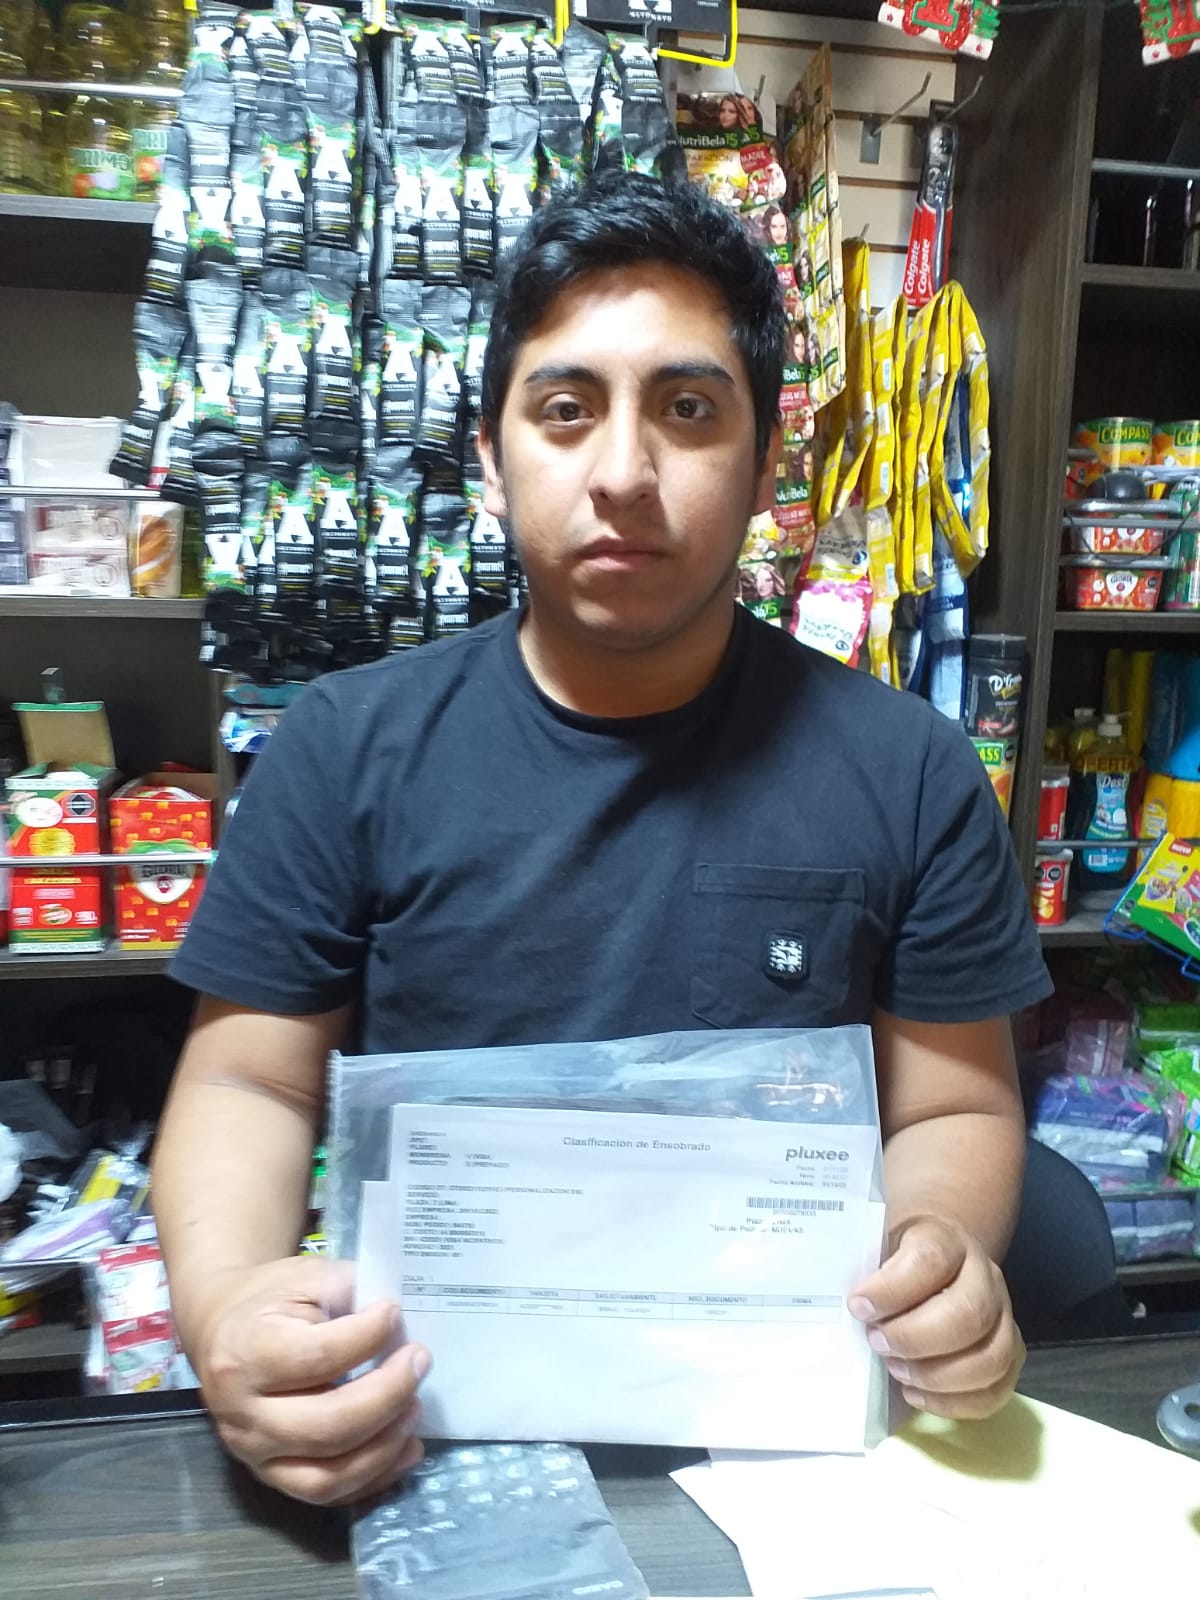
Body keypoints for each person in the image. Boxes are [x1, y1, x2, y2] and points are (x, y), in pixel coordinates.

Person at [154, 171, 1052, 1508]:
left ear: (767, 464)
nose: (624, 473)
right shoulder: (344, 748)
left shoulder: (910, 770)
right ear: (491, 455)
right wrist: (228, 1303)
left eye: (688, 410)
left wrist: (939, 1253)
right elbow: (249, 1088)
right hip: (426, 1443)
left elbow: (955, 1105)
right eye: (566, 409)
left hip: (790, 1462)